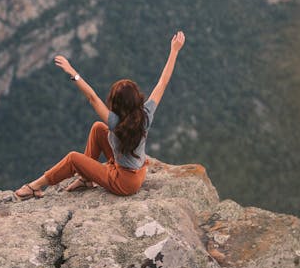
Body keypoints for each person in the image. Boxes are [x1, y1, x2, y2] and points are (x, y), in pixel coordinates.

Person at [14, 31, 186, 201]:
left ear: (116, 103)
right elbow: (163, 82)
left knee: (74, 158)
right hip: (138, 174)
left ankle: (34, 186)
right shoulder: (146, 115)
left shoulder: (115, 122)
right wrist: (174, 51)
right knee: (98, 128)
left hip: (123, 183)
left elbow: (92, 97)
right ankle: (86, 179)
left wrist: (73, 73)